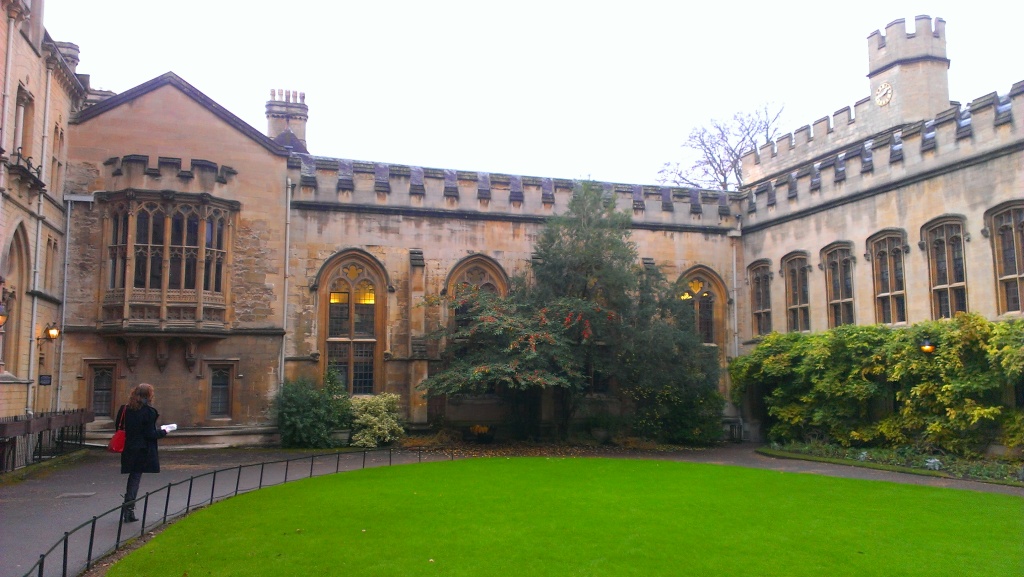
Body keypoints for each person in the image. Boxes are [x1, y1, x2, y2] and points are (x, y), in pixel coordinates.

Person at [115, 383, 168, 523]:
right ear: (149, 396)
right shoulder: (148, 412)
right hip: (142, 450)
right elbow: (150, 434)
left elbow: (118, 427)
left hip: (128, 448)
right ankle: (128, 510)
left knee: (133, 477)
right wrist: (164, 432)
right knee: (135, 478)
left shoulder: (124, 410)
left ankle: (128, 508)